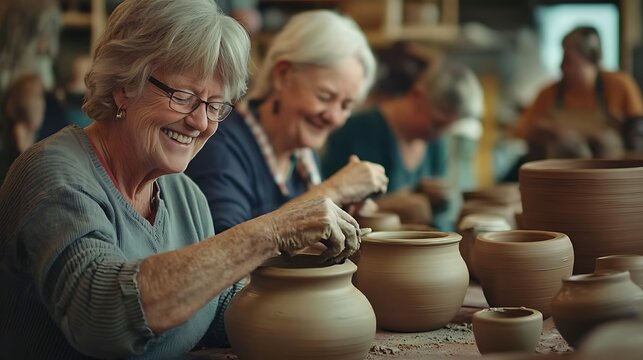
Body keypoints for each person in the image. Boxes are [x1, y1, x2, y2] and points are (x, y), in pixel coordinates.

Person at [0, 1, 366, 359]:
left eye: (215, 106)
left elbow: (218, 309)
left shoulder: (185, 195)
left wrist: (334, 297)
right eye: (184, 96)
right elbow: (104, 315)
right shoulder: (52, 174)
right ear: (125, 84)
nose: (201, 122)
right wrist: (272, 232)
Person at [185, 10, 388, 235]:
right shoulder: (220, 143)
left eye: (346, 106)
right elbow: (224, 249)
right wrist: (335, 190)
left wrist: (344, 210)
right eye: (325, 97)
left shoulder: (303, 156)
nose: (335, 117)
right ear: (282, 75)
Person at [322, 50, 484, 231]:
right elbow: (327, 209)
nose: (440, 134)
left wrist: (441, 201)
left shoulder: (436, 143)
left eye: (448, 127)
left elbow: (439, 223)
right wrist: (390, 205)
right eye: (437, 123)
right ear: (417, 95)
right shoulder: (356, 132)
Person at [513, 25, 643, 162]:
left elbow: (637, 134)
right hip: (561, 174)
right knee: (568, 144)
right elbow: (522, 131)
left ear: (590, 59)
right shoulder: (548, 94)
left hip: (610, 175)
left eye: (568, 59)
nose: (561, 65)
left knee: (606, 141)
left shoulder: (619, 85)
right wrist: (548, 132)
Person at [0, 74, 46, 182]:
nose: (41, 104)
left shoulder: (41, 145)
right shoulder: (6, 158)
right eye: (35, 96)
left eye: (41, 96)